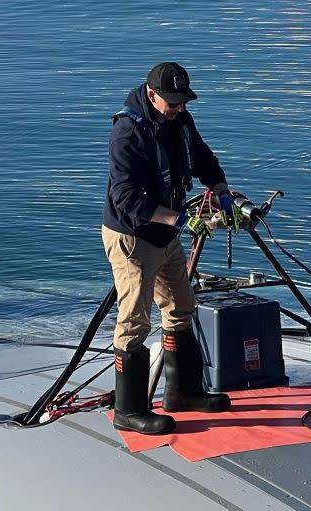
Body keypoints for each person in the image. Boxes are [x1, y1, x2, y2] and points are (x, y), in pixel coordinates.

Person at [102, 62, 240, 435]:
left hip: (166, 236)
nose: (179, 108)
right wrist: (179, 221)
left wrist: (222, 191)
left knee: (181, 305)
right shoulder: (127, 134)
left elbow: (203, 158)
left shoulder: (180, 120)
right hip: (133, 237)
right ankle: (129, 410)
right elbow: (126, 198)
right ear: (152, 95)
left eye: (183, 102)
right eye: (173, 102)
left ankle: (183, 392)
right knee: (134, 319)